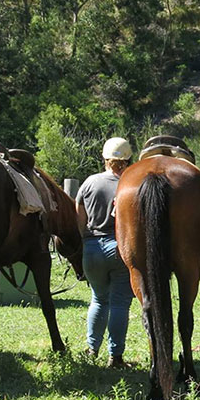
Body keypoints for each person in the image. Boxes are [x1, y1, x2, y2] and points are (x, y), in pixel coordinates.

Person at [76, 137, 135, 367]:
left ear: (105, 159)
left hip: (92, 248)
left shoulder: (90, 182)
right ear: (127, 160)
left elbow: (79, 220)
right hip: (120, 248)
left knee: (99, 299)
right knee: (120, 303)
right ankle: (116, 356)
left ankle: (92, 350)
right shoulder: (130, 184)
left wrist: (83, 248)